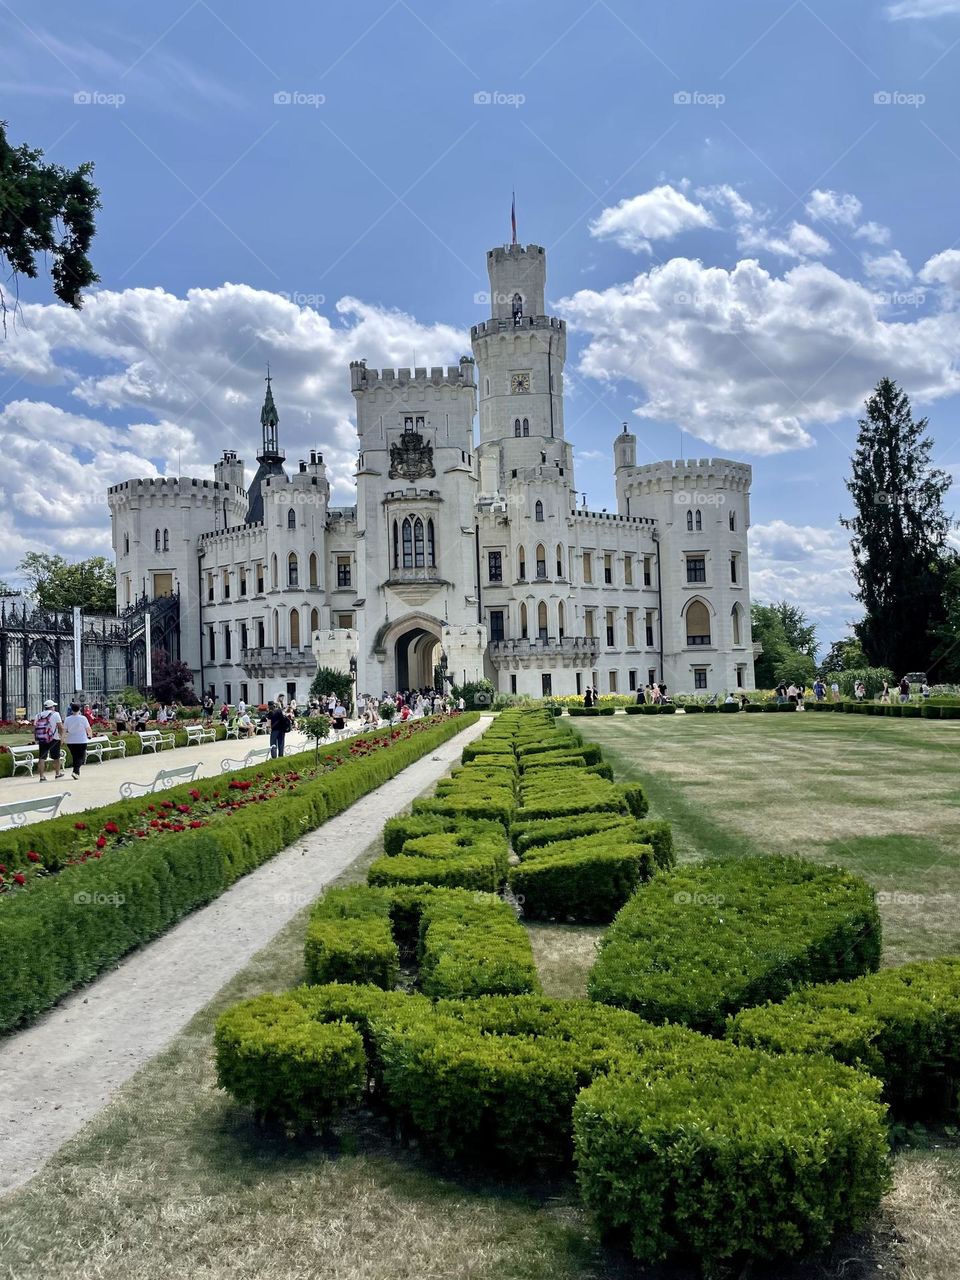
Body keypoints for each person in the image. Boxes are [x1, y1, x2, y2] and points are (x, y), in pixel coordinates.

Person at [34, 699, 65, 782]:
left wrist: (36, 738)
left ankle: (42, 776)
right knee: (56, 757)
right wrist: (62, 737)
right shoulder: (55, 714)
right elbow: (60, 727)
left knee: (42, 757)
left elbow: (35, 728)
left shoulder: (38, 715)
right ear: (51, 707)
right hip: (54, 738)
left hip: (42, 739)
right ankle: (57, 774)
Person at [64, 702, 93, 779]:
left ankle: (77, 773)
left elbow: (64, 730)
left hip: (71, 741)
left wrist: (62, 739)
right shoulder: (83, 718)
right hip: (81, 740)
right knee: (81, 758)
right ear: (79, 709)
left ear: (71, 710)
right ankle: (75, 771)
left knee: (75, 757)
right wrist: (90, 735)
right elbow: (88, 728)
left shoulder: (67, 719)